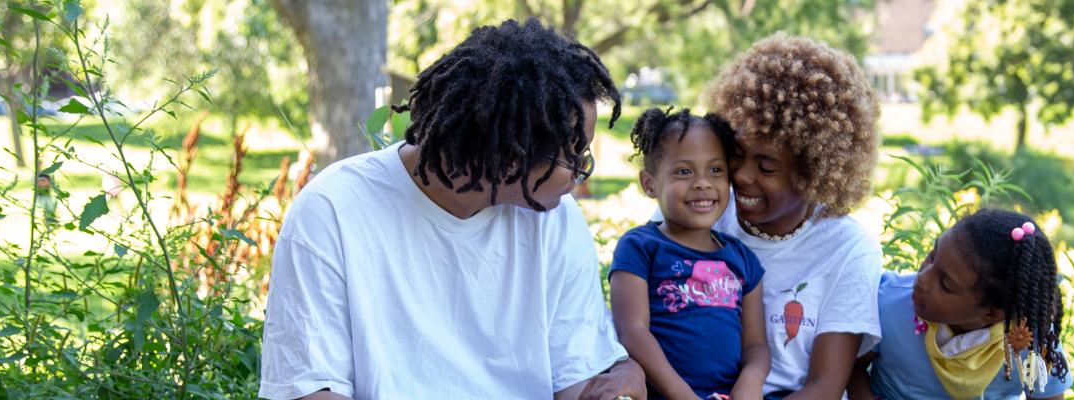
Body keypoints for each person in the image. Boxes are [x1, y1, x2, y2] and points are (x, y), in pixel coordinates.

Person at [258, 19, 645, 400]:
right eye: (574, 156)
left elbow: (574, 380)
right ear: (512, 158)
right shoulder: (333, 211)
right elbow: (309, 390)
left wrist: (612, 388)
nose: (581, 172)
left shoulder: (557, 220)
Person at [702, 33, 884, 399]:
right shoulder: (703, 210)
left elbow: (825, 386)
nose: (740, 175)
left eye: (766, 167)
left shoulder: (848, 249)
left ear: (813, 173)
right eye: (737, 154)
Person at [611, 108, 769, 400]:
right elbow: (632, 331)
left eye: (716, 170)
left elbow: (755, 346)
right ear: (650, 184)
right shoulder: (641, 247)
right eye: (684, 171)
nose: (703, 183)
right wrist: (684, 396)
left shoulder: (743, 260)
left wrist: (751, 381)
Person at [848, 208, 1073, 399]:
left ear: (992, 314)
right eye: (932, 256)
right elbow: (851, 366)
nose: (923, 279)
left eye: (946, 285)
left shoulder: (1028, 342)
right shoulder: (890, 302)